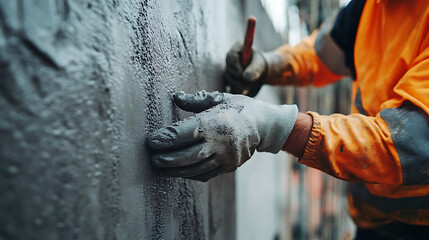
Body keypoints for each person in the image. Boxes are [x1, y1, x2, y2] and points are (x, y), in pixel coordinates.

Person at [147, 0, 429, 238]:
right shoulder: (370, 8)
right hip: (371, 220)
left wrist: (277, 126)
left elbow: (407, 144)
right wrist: (268, 65)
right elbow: (319, 55)